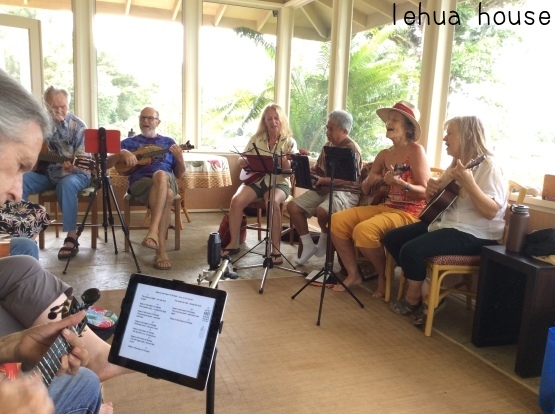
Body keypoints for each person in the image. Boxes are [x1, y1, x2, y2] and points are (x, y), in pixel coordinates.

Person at [0, 69, 119, 413]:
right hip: (53, 174)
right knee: (82, 383)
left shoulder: (78, 128)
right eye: (19, 165)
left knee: (22, 260)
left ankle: (96, 353)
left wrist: (14, 345)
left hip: (71, 176)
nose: (16, 192)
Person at [384, 115, 507, 325]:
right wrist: (432, 189)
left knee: (411, 250)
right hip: (447, 225)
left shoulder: (489, 167)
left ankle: (415, 297)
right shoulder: (457, 166)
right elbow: (439, 199)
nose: (444, 138)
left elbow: (491, 212)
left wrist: (469, 184)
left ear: (467, 135)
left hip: (475, 234)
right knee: (393, 238)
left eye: (450, 133)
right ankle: (426, 288)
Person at [329, 101, 430, 296]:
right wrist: (371, 179)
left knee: (364, 231)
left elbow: (425, 192)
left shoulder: (416, 151)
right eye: (388, 120)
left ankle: (384, 276)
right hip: (386, 207)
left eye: (394, 120)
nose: (388, 123)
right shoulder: (384, 154)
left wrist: (402, 184)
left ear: (408, 127)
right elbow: (366, 190)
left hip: (410, 213)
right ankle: (353, 274)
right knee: (337, 220)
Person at [106, 106, 185, 270]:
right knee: (168, 194)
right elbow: (107, 163)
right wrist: (121, 152)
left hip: (167, 179)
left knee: (161, 175)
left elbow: (179, 174)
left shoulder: (169, 142)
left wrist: (180, 158)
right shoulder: (129, 142)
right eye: (143, 118)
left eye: (150, 118)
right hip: (140, 183)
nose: (145, 121)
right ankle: (159, 248)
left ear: (158, 122)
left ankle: (153, 232)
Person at [22, 85, 91, 260]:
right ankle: (23, 233)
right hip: (47, 173)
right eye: (55, 107)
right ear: (46, 106)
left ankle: (71, 238)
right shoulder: (40, 125)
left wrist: (72, 167)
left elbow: (83, 159)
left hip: (76, 173)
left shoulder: (78, 126)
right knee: (20, 180)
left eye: (64, 107)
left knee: (66, 183)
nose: (60, 111)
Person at [222, 103, 297, 265]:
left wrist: (284, 161)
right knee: (236, 201)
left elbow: (289, 171)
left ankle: (275, 249)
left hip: (279, 182)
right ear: (264, 121)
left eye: (276, 118)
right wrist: (243, 161)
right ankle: (234, 242)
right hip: (257, 179)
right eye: (269, 118)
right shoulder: (257, 138)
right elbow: (244, 158)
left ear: (281, 120)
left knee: (272, 202)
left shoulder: (289, 142)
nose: (273, 121)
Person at [287, 110, 362, 267]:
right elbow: (319, 171)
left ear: (344, 131)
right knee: (292, 206)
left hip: (347, 192)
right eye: (327, 128)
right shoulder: (328, 146)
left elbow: (350, 178)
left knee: (323, 211)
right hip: (325, 188)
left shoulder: (351, 148)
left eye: (331, 129)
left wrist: (326, 179)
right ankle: (308, 244)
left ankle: (324, 237)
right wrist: (303, 161)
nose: (327, 132)